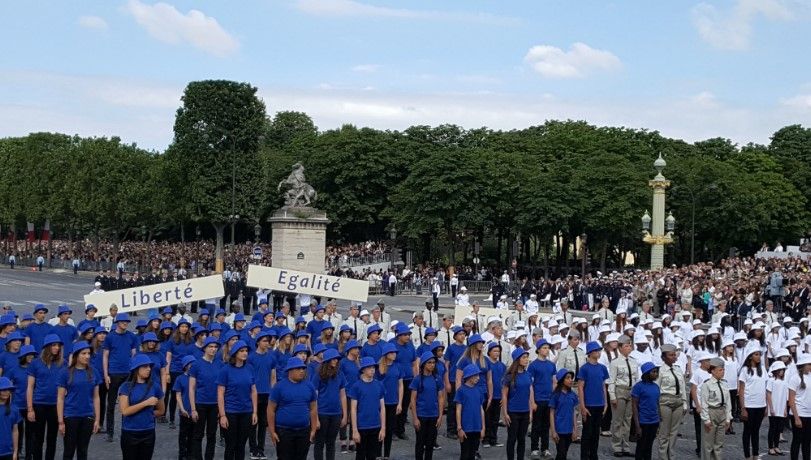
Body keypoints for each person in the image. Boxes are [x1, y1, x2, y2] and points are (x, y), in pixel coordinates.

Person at [56, 341, 100, 460]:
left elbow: (96, 397)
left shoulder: (94, 372)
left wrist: (97, 419)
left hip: (87, 416)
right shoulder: (65, 373)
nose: (87, 356)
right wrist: (60, 421)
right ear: (76, 355)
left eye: (89, 353)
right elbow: (60, 398)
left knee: (83, 451)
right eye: (83, 353)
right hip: (71, 416)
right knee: (69, 451)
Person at [268, 357, 318, 460]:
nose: (301, 371)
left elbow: (313, 408)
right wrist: (272, 432)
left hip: (304, 431)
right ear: (290, 370)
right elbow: (271, 410)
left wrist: (313, 430)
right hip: (284, 431)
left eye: (303, 368)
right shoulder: (279, 386)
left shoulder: (309, 386)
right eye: (298, 368)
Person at [118, 354, 165, 460]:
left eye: (149, 366)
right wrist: (146, 403)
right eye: (145, 366)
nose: (149, 369)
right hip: (130, 433)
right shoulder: (126, 387)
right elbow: (125, 411)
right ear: (136, 368)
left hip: (148, 432)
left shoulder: (155, 386)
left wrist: (148, 415)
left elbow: (161, 410)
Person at [27, 333, 65, 460]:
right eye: (54, 345)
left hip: (55, 405)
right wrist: (30, 409)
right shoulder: (35, 363)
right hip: (39, 405)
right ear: (47, 347)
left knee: (52, 438)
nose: (57, 348)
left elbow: (67, 384)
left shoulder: (63, 363)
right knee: (37, 438)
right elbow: (30, 387)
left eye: (58, 345)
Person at [217, 340, 258, 460]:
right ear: (235, 353)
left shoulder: (250, 368)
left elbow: (253, 390)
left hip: (246, 412)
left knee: (241, 446)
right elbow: (220, 393)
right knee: (231, 445)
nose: (245, 353)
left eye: (246, 351)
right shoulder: (225, 370)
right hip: (231, 412)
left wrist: (254, 412)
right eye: (242, 351)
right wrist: (222, 415)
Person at [103, 313, 138, 443]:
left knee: (127, 403)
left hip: (127, 373)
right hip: (113, 373)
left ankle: (126, 429)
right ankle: (110, 432)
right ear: (118, 322)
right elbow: (105, 356)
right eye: (123, 322)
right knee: (111, 404)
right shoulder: (110, 337)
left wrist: (134, 372)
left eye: (127, 322)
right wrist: (106, 375)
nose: (125, 324)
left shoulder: (132, 337)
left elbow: (134, 355)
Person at [189, 337, 221, 460]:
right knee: (198, 434)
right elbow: (191, 388)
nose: (213, 349)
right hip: (200, 403)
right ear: (205, 348)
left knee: (212, 435)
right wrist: (193, 409)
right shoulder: (196, 364)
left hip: (215, 404)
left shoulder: (220, 364)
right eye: (210, 347)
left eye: (215, 347)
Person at [311, 348, 347, 460]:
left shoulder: (340, 374)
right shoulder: (318, 375)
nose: (336, 360)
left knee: (331, 443)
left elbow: (343, 395)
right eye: (333, 358)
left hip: (336, 413)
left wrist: (345, 415)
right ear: (327, 360)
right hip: (322, 413)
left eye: (337, 358)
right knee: (319, 443)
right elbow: (314, 397)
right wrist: (315, 418)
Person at [409, 352, 445, 460]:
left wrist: (440, 416)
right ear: (424, 364)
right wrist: (415, 418)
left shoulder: (437, 379)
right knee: (420, 443)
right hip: (421, 415)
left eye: (434, 362)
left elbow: (440, 398)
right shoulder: (418, 379)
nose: (432, 365)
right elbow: (413, 399)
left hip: (433, 415)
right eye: (429, 362)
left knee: (430, 444)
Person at [577, 341, 609, 460]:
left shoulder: (602, 368)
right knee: (587, 433)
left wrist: (605, 402)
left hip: (599, 404)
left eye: (599, 350)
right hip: (589, 404)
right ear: (590, 353)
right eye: (596, 351)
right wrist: (582, 406)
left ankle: (594, 455)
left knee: (596, 433)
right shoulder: (584, 369)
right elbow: (580, 387)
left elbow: (603, 386)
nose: (598, 353)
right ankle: (584, 456)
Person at [348, 357, 385, 460]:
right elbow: (353, 409)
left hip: (376, 426)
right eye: (369, 367)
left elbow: (382, 408)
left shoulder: (379, 385)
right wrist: (354, 430)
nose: (372, 369)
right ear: (363, 370)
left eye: (373, 367)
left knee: (372, 455)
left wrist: (383, 428)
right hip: (362, 427)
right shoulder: (356, 386)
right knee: (360, 455)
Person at [608, 335, 639, 457]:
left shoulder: (633, 361)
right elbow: (612, 380)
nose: (629, 348)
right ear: (620, 348)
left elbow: (636, 377)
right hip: (619, 390)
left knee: (627, 420)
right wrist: (612, 397)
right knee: (617, 420)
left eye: (630, 345)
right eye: (626, 346)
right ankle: (616, 446)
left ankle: (625, 446)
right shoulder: (615, 362)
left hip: (631, 391)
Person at [656, 344, 687, 460]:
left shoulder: (678, 369)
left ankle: (671, 456)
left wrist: (684, 402)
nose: (674, 357)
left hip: (678, 400)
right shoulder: (660, 371)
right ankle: (663, 456)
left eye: (675, 355)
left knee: (674, 432)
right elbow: (657, 388)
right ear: (664, 357)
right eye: (671, 355)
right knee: (664, 432)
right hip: (665, 401)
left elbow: (683, 386)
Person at [502, 348, 533, 460]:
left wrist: (530, 413)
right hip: (513, 412)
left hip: (525, 412)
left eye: (527, 357)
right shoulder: (509, 376)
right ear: (517, 359)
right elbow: (504, 396)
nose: (526, 360)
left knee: (522, 439)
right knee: (512, 438)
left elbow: (529, 395)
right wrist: (505, 413)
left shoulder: (528, 375)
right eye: (523, 357)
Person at [6, 344, 35, 459]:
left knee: (31, 433)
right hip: (17, 406)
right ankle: (16, 454)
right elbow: (6, 385)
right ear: (23, 356)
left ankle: (29, 455)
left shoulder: (35, 369)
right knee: (17, 432)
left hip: (31, 406)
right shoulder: (14, 370)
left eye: (32, 355)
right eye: (29, 355)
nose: (31, 357)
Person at [738, 344, 767, 460]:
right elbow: (742, 390)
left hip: (760, 405)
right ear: (750, 356)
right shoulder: (745, 370)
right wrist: (743, 408)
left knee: (756, 431)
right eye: (756, 354)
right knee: (747, 431)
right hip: (749, 405)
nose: (759, 357)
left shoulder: (763, 369)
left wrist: (766, 406)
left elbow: (765, 388)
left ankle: (755, 454)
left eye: (759, 354)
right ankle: (747, 455)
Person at [699, 357, 731, 460]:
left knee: (719, 443)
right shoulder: (707, 384)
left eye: (723, 370)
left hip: (722, 412)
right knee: (708, 444)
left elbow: (728, 402)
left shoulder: (724, 383)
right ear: (712, 371)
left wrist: (728, 418)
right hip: (711, 412)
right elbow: (704, 403)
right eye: (720, 370)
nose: (723, 372)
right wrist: (706, 419)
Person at [165, 319, 195, 429]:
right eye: (182, 326)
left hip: (187, 370)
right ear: (178, 328)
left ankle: (188, 414)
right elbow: (168, 357)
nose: (184, 328)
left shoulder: (191, 340)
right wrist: (167, 373)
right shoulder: (172, 340)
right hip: (175, 370)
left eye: (186, 327)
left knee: (188, 394)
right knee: (174, 396)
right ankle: (172, 419)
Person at [528, 338, 556, 458]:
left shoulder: (551, 365)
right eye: (544, 348)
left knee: (546, 425)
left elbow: (554, 381)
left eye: (548, 348)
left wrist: (553, 396)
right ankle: (534, 448)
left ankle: (545, 448)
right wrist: (532, 402)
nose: (547, 350)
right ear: (538, 350)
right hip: (538, 399)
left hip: (549, 399)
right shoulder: (533, 365)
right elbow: (531, 385)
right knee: (536, 425)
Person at [455, 364, 485, 460]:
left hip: (477, 427)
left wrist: (483, 427)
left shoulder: (479, 390)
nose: (478, 378)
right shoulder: (461, 391)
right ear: (468, 376)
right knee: (465, 454)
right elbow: (458, 410)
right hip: (466, 428)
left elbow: (481, 409)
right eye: (476, 375)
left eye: (478, 375)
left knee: (472, 454)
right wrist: (459, 428)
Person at [631, 362, 660, 460]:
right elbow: (634, 406)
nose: (656, 374)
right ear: (647, 373)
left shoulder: (656, 387)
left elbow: (657, 404)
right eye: (654, 372)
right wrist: (637, 426)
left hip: (654, 421)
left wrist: (659, 420)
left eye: (656, 372)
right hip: (643, 421)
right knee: (641, 447)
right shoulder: (638, 387)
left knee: (649, 447)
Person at [549, 368, 578, 460]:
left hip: (569, 429)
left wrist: (575, 429)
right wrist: (553, 431)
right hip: (559, 429)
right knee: (561, 453)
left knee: (564, 453)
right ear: (562, 380)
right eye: (568, 378)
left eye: (571, 378)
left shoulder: (573, 395)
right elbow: (551, 413)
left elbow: (573, 412)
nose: (571, 380)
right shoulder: (556, 395)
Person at [173, 355, 196, 460]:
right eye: (191, 364)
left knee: (193, 434)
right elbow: (178, 395)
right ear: (185, 366)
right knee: (183, 434)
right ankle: (182, 454)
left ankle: (191, 453)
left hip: (195, 411)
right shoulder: (180, 378)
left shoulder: (197, 378)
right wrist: (182, 409)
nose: (193, 365)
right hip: (185, 411)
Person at [789, 354, 811, 460]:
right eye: (809, 364)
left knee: (807, 442)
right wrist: (796, 417)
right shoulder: (795, 378)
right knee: (797, 441)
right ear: (802, 365)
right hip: (798, 414)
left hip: (809, 414)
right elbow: (791, 399)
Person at [484, 342, 505, 448]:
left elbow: (503, 382)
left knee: (495, 419)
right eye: (494, 351)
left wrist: (503, 396)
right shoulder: (486, 364)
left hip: (498, 396)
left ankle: (493, 439)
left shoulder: (502, 365)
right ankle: (486, 439)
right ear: (489, 352)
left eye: (498, 351)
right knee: (487, 418)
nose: (497, 353)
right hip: (488, 396)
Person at [766, 361, 788, 456]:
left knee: (779, 429)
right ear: (776, 371)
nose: (782, 371)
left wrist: (785, 409)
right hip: (774, 409)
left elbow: (785, 396)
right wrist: (771, 408)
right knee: (773, 428)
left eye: (783, 370)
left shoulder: (784, 382)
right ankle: (771, 447)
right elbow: (769, 394)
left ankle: (776, 446)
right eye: (780, 370)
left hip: (781, 408)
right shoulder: (771, 380)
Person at [0, 376, 19, 460]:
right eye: (4, 390)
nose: (7, 392)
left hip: (8, 452)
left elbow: (15, 431)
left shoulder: (14, 409)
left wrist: (15, 452)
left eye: (9, 390)